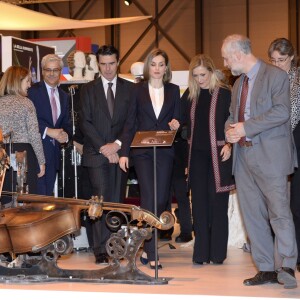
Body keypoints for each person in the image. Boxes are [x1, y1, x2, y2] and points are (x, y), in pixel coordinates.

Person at [222, 34, 298, 289]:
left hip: (271, 157)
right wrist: (229, 131)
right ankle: (265, 268)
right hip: (243, 158)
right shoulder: (236, 85)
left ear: (237, 55)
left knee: (279, 213)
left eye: (225, 57)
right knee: (252, 215)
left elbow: (281, 112)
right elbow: (232, 116)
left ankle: (286, 265)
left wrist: (244, 128)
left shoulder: (276, 76)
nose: (224, 62)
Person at [119, 48, 180, 269]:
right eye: (153, 64)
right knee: (149, 198)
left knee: (162, 198)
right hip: (142, 152)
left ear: (166, 67)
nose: (157, 68)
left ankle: (146, 248)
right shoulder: (137, 90)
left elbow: (178, 120)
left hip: (164, 152)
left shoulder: (174, 91)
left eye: (161, 64)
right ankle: (152, 252)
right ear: (148, 66)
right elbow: (130, 123)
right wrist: (124, 152)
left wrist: (176, 124)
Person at [79, 45, 134, 265]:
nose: (108, 68)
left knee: (116, 202)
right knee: (99, 200)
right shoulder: (88, 89)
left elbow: (131, 122)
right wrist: (105, 147)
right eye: (103, 64)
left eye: (111, 63)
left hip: (120, 154)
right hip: (96, 153)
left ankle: (115, 246)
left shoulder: (130, 89)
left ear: (118, 62)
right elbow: (85, 122)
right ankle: (100, 249)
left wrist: (117, 145)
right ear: (97, 63)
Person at [181, 54, 234, 263]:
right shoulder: (190, 95)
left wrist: (230, 145)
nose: (200, 79)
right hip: (196, 158)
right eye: (195, 75)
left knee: (218, 205)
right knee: (199, 205)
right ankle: (201, 253)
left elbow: (234, 123)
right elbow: (184, 125)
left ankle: (218, 254)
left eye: (203, 74)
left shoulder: (224, 94)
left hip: (220, 155)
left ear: (211, 72)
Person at [268, 38, 300, 272]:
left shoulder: (297, 79)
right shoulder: (269, 79)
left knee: (297, 202)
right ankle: (286, 255)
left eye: (282, 60)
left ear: (292, 58)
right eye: (273, 60)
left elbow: (292, 114)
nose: (278, 64)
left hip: (295, 140)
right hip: (277, 144)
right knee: (280, 204)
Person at [0, 66, 45, 205]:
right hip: (24, 155)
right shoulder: (27, 103)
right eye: (27, 81)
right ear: (17, 82)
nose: (29, 85)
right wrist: (41, 161)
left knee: (5, 201)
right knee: (24, 204)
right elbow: (34, 134)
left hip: (3, 156)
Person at [28, 54, 71, 196]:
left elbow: (66, 123)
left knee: (47, 198)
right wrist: (47, 131)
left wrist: (65, 135)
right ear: (42, 71)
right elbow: (27, 121)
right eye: (48, 70)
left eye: (55, 70)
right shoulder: (32, 92)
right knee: (36, 199)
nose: (52, 73)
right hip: (35, 154)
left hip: (53, 155)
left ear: (60, 71)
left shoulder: (64, 96)